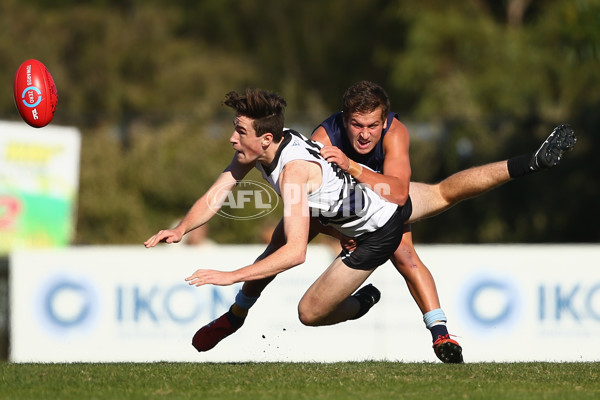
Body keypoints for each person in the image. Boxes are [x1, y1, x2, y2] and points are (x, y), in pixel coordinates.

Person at [144, 88, 576, 363]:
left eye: (239, 131)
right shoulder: (270, 144)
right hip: (354, 204)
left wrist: (228, 274)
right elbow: (219, 191)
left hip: (378, 224)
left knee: (309, 312)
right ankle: (236, 316)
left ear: (268, 139)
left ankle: (365, 301)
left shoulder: (293, 171)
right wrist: (182, 229)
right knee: (445, 192)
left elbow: (295, 255)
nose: (233, 139)